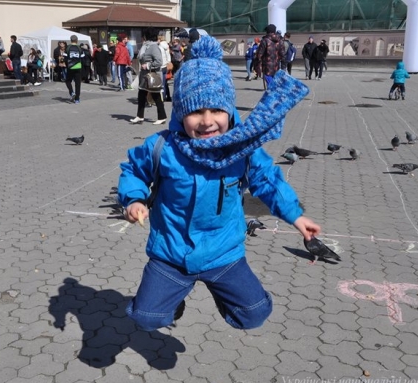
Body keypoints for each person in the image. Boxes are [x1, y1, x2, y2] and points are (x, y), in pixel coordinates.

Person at [118, 35, 319, 332]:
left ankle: (224, 294)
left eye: (216, 110)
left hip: (223, 253)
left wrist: (295, 216)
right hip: (171, 255)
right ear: (180, 113)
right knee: (147, 318)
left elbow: (267, 179)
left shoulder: (243, 149)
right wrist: (133, 199)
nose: (207, 121)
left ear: (230, 111)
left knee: (253, 314)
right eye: (196, 111)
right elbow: (133, 171)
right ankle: (172, 301)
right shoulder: (161, 147)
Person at [130, 28, 166, 125]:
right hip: (144, 75)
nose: (142, 38)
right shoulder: (145, 46)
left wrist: (148, 65)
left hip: (152, 75)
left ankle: (162, 117)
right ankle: (139, 116)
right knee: (141, 95)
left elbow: (159, 62)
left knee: (156, 96)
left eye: (144, 36)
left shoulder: (154, 47)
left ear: (147, 37)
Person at [255, 24, 285, 88]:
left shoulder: (265, 40)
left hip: (267, 64)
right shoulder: (280, 40)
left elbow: (259, 54)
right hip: (276, 64)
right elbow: (282, 53)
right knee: (275, 77)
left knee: (267, 76)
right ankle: (275, 88)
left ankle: (273, 89)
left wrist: (258, 62)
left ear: (268, 31)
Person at [64, 35, 84, 103]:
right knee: (78, 83)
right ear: (77, 40)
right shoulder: (79, 48)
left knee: (68, 80)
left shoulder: (68, 47)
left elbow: (65, 57)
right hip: (78, 67)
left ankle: (72, 92)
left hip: (70, 66)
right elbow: (83, 57)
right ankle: (77, 99)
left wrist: (67, 64)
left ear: (71, 40)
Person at [158, 32, 172, 102]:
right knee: (165, 82)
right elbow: (168, 56)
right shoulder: (167, 46)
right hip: (166, 65)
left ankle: (162, 97)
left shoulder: (159, 46)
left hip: (161, 65)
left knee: (161, 83)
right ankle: (167, 96)